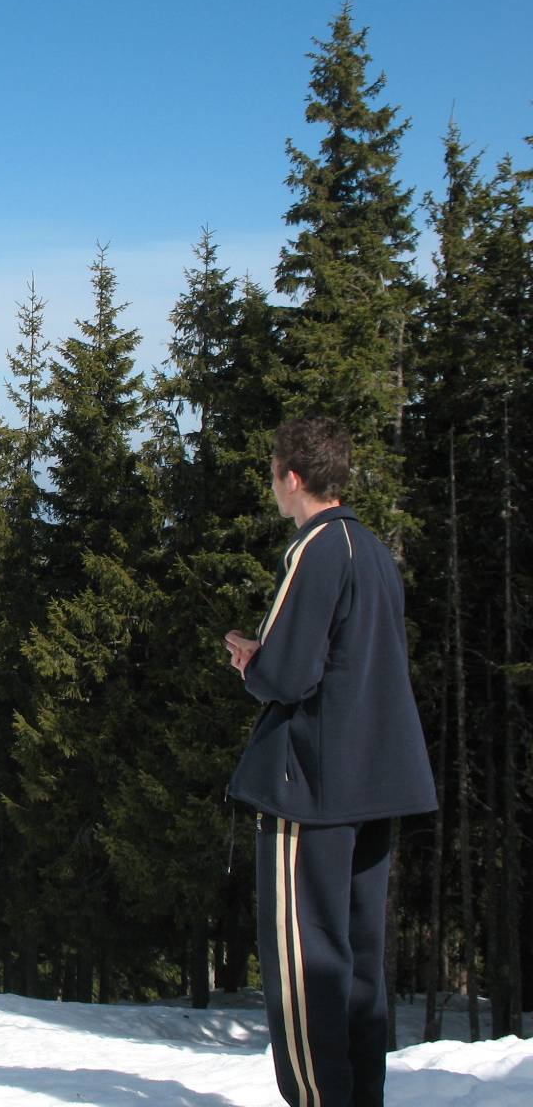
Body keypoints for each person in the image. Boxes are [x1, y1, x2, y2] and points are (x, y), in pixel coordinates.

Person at [223, 418, 436, 1107]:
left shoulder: (313, 550)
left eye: (273, 472)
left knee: (306, 964)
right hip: (374, 782)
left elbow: (289, 676)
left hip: (311, 787)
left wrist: (252, 662)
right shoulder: (371, 550)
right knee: (358, 966)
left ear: (292, 477)